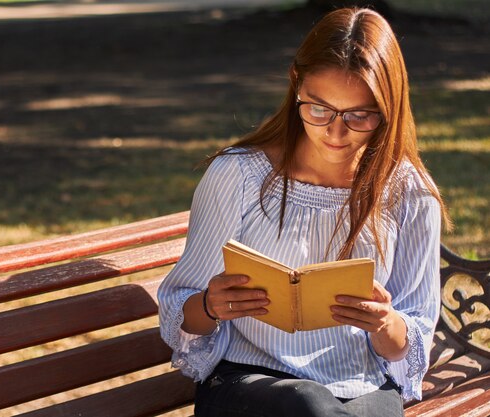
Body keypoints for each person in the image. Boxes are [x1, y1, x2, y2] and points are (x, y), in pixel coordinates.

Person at [157, 7, 451, 417]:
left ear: (389, 109)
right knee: (308, 403)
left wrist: (386, 324)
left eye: (358, 115)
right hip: (249, 380)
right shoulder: (239, 175)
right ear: (296, 85)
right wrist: (209, 306)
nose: (335, 132)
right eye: (319, 109)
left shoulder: (408, 192)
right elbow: (178, 311)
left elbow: (413, 338)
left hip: (361, 385)